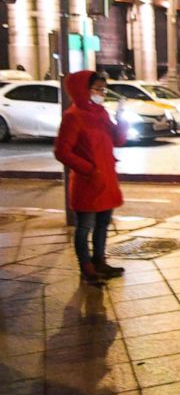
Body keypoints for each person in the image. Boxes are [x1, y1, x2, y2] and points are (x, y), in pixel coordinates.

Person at [54, 71, 128, 285]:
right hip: (87, 182)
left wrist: (121, 119)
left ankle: (99, 261)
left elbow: (118, 140)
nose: (101, 93)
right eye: (97, 89)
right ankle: (86, 268)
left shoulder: (101, 114)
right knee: (84, 227)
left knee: (103, 224)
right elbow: (62, 151)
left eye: (103, 89)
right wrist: (89, 169)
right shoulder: (73, 116)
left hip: (106, 180)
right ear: (83, 90)